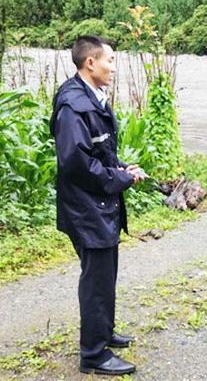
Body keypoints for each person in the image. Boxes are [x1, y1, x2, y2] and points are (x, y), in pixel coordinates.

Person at [50, 36, 144, 376]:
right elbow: (75, 163)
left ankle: (103, 333)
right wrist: (118, 180)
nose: (114, 68)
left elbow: (99, 152)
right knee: (96, 281)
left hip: (100, 203)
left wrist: (120, 168)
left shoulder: (93, 98)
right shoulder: (73, 106)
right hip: (86, 208)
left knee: (106, 276)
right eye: (110, 61)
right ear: (90, 63)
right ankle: (93, 355)